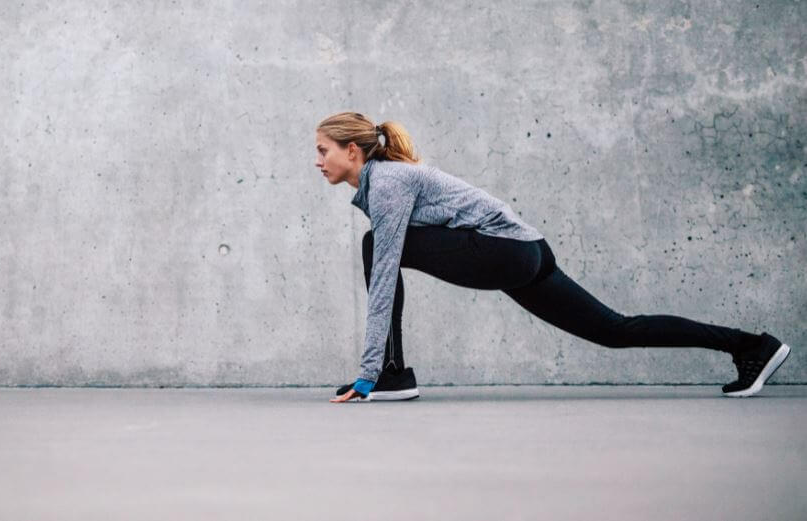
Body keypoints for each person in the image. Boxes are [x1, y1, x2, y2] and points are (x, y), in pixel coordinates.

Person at [314, 111, 792, 403]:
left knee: (376, 246)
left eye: (323, 151)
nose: (318, 161)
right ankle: (751, 347)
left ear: (352, 152)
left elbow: (382, 280)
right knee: (614, 330)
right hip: (526, 252)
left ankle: (391, 376)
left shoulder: (390, 183)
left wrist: (366, 373)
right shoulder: (388, 180)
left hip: (505, 251)